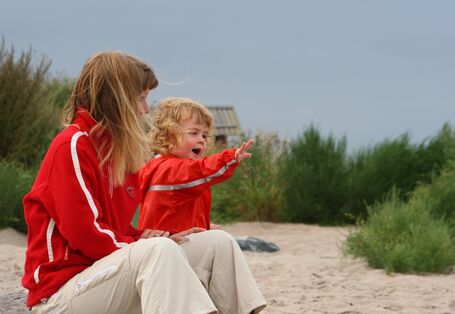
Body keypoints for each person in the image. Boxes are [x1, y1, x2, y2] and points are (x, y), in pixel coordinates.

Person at [22, 51, 266, 314]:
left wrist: (155, 237)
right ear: (118, 99)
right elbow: (87, 236)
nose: (146, 108)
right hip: (60, 295)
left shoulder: (118, 155)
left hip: (104, 278)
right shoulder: (73, 146)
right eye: (141, 98)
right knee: (158, 250)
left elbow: (115, 230)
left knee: (218, 243)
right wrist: (146, 244)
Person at [138, 98, 254, 234]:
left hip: (170, 236)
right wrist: (231, 157)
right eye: (194, 133)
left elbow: (178, 212)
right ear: (169, 136)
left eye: (204, 135)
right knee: (223, 240)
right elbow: (202, 170)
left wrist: (204, 226)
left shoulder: (156, 165)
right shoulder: (170, 169)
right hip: (169, 242)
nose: (201, 140)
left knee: (217, 236)